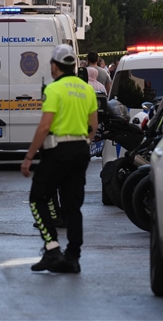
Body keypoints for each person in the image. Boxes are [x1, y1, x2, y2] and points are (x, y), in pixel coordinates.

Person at [21, 44, 98, 274]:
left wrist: (28, 157)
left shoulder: (54, 90)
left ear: (55, 66)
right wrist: (84, 142)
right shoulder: (86, 89)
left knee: (37, 198)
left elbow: (45, 126)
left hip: (57, 151)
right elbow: (93, 126)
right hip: (80, 151)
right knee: (73, 207)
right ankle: (73, 257)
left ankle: (52, 248)